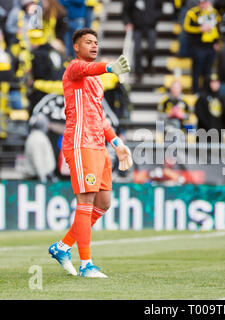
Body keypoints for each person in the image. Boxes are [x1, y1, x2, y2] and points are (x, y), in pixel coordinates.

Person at [48, 28, 132, 278]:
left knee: (103, 203)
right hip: (79, 142)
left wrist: (117, 143)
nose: (94, 46)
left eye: (96, 42)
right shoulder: (74, 69)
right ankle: (86, 265)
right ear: (76, 46)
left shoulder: (95, 82)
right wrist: (110, 67)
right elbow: (87, 69)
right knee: (85, 201)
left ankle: (62, 246)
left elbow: (100, 118)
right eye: (88, 42)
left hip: (99, 145)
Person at [183, 0, 221, 93]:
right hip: (197, 46)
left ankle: (205, 92)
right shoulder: (192, 13)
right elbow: (186, 28)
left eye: (206, 2)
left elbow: (218, 27)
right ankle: (195, 91)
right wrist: (199, 29)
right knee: (197, 70)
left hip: (210, 47)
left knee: (207, 71)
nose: (204, 5)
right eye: (202, 2)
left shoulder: (214, 13)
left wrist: (216, 42)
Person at [122, 0, 163, 83]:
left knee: (152, 48)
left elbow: (160, 9)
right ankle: (139, 73)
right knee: (137, 50)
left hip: (151, 26)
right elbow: (125, 11)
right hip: (136, 28)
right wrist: (128, 23)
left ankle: (150, 64)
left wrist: (153, 18)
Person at [23, 113, 57, 182]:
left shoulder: (38, 136)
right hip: (38, 178)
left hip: (43, 176)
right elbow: (38, 160)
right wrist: (43, 178)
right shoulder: (37, 138)